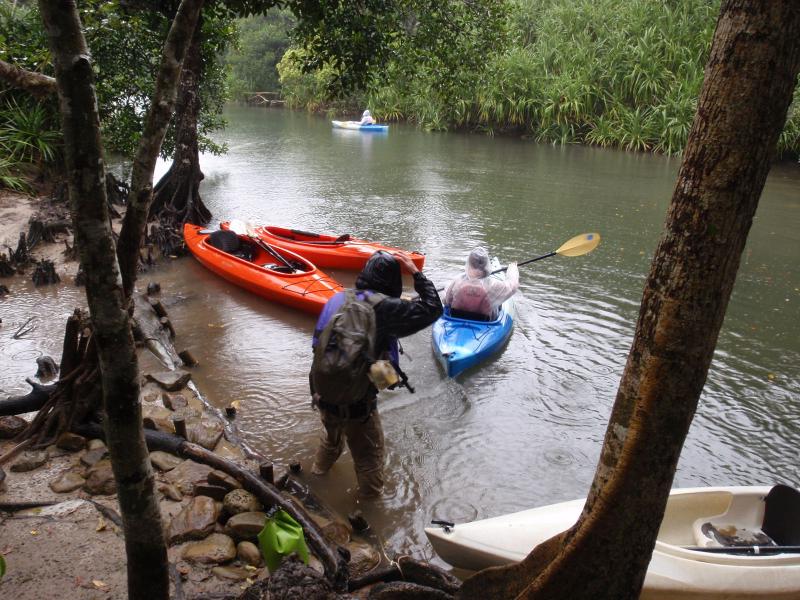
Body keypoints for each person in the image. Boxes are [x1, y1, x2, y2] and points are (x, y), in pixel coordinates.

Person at [310, 250, 442, 497]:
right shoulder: (386, 309)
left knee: (331, 440)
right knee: (370, 457)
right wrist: (415, 271)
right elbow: (434, 308)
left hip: (321, 394)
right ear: (392, 282)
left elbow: (318, 345)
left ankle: (316, 481)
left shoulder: (337, 299)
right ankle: (370, 512)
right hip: (356, 406)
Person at [444, 246, 519, 320]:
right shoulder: (493, 285)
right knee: (498, 304)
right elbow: (513, 286)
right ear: (486, 266)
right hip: (484, 322)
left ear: (469, 264)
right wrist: (512, 269)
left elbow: (446, 301)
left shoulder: (457, 281)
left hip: (456, 319)